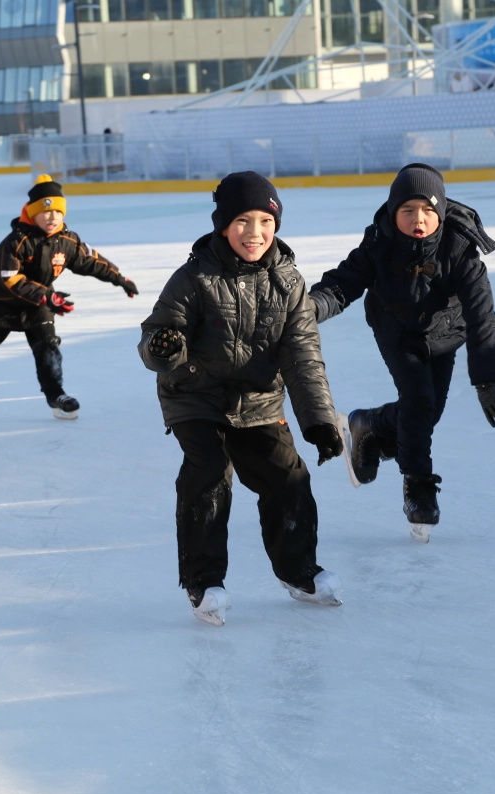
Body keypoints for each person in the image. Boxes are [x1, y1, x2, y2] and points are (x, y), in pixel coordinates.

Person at [138, 171, 345, 626]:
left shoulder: (289, 283)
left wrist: (320, 422)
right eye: (242, 222)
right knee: (209, 473)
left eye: (264, 222)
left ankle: (299, 572)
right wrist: (163, 348)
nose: (254, 233)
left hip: (258, 401)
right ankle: (204, 581)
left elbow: (304, 359)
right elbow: (155, 335)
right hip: (195, 395)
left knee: (288, 477)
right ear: (222, 225)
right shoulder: (193, 277)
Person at [307, 163, 495, 543]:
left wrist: (486, 380)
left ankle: (370, 427)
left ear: (442, 212)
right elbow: (342, 285)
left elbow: (483, 316)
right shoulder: (378, 243)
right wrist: (311, 308)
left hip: (446, 334)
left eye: (428, 211)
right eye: (408, 211)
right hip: (396, 331)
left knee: (427, 413)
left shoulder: (460, 248)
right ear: (392, 211)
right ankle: (419, 487)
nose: (419, 219)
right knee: (418, 402)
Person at [0, 174, 139, 420]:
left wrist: (120, 278)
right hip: (1, 305)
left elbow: (91, 261)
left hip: (38, 306)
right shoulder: (16, 242)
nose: (52, 217)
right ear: (32, 213)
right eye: (45, 212)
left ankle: (56, 395)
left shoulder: (67, 240)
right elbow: (10, 279)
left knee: (48, 346)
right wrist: (46, 295)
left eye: (57, 211)